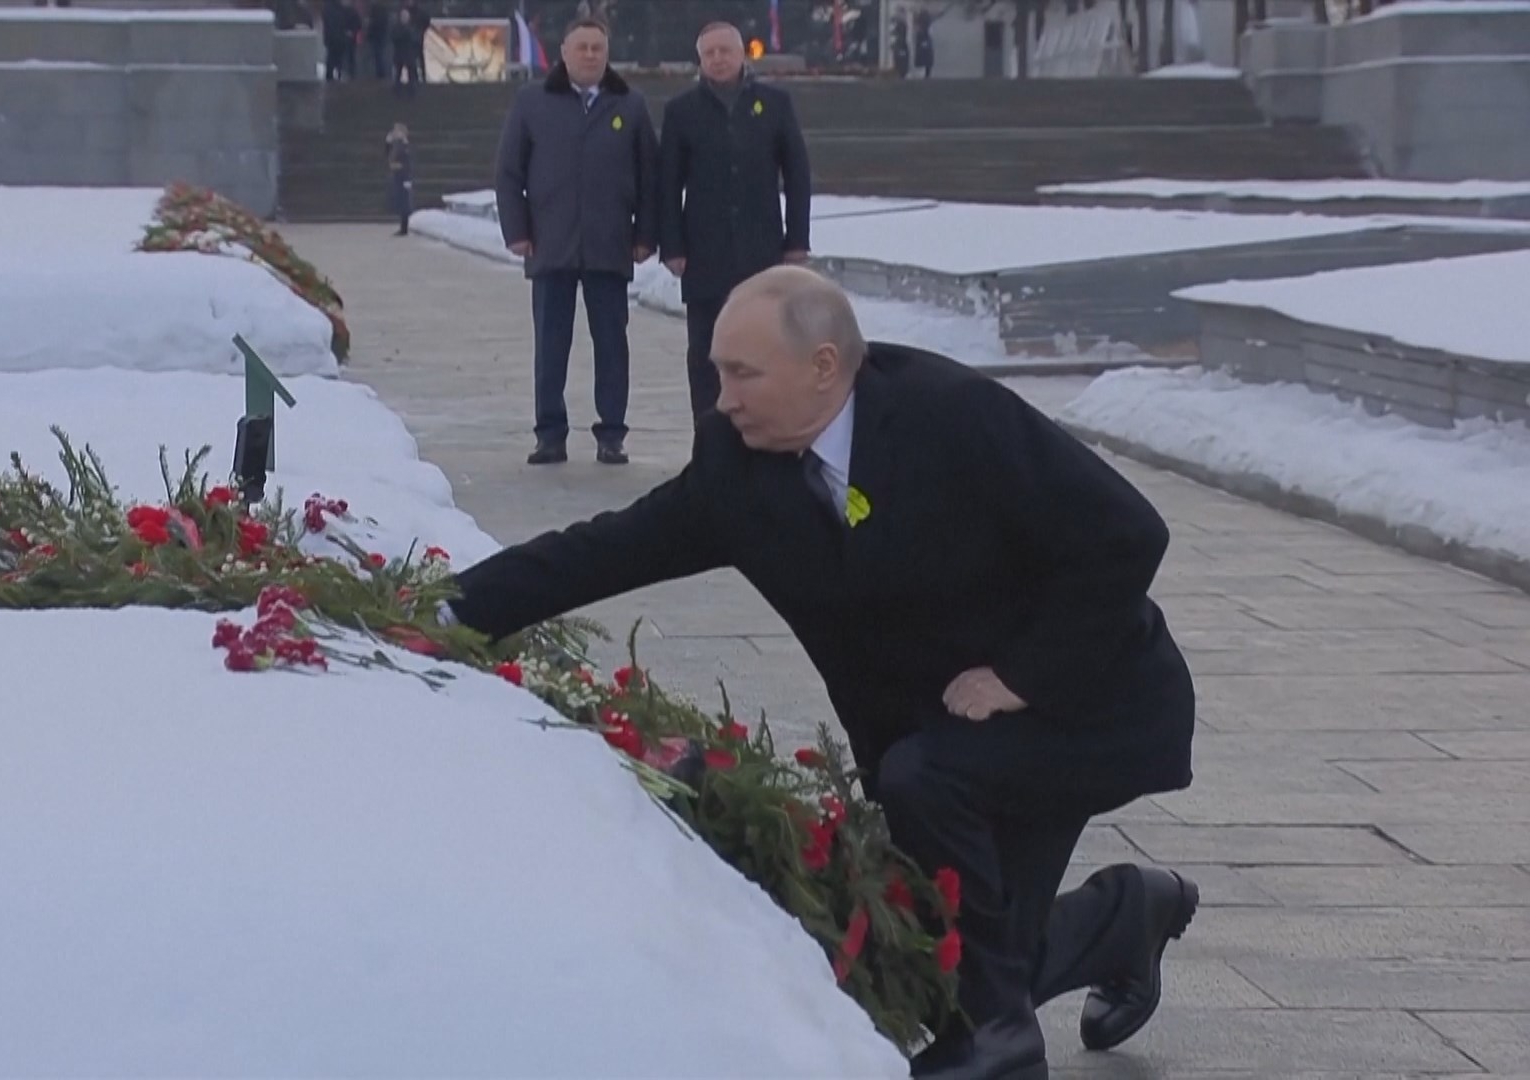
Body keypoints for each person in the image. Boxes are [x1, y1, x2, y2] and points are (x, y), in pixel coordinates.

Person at [445, 266, 1202, 1079]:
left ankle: (996, 1044)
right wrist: (448, 608)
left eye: (744, 374)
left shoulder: (951, 414)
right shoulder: (738, 468)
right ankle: (1123, 920)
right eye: (718, 373)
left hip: (1087, 706)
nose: (724, 399)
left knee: (945, 854)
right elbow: (612, 548)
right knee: (951, 947)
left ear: (824, 366)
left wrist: (1019, 676)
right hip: (944, 739)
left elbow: (1126, 534)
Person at [494, 16, 658, 466]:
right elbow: (509, 172)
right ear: (564, 53)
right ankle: (550, 434)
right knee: (551, 346)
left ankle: (612, 434)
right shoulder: (533, 103)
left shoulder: (630, 105)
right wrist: (517, 231)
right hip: (551, 244)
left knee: (612, 345)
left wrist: (645, 235)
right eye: (581, 47)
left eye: (597, 48)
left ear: (607, 54)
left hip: (610, 244)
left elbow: (650, 177)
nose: (589, 55)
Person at [657, 22, 812, 425]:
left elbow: (797, 174)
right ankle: (710, 436)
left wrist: (797, 240)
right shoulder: (681, 111)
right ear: (700, 60)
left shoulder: (775, 104)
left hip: (762, 252)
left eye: (725, 51)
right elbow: (668, 183)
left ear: (742, 54)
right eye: (709, 53)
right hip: (704, 255)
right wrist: (672, 246)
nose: (718, 59)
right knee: (706, 352)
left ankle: (764, 429)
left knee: (765, 346)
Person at [384, 123, 413, 235]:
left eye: (397, 131)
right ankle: (402, 227)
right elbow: (388, 156)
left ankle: (404, 228)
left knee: (404, 203)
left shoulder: (405, 145)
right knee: (401, 202)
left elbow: (407, 163)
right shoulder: (397, 145)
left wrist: (399, 167)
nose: (394, 133)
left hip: (403, 177)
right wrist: (387, 143)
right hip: (398, 176)